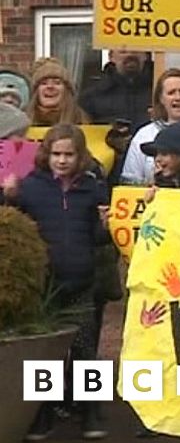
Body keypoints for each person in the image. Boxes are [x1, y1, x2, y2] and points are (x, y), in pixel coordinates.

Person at [2, 124, 110, 440]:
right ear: (46, 154)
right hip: (44, 285)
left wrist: (105, 226)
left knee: (86, 349)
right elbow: (12, 230)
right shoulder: (29, 187)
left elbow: (100, 238)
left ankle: (91, 411)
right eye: (56, 154)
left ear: (80, 157)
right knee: (45, 353)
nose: (62, 160)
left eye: (69, 154)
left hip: (82, 281)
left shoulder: (93, 188)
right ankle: (42, 413)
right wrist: (7, 198)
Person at [79, 50, 153, 129]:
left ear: (146, 55)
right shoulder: (92, 95)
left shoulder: (160, 90)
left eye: (135, 51)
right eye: (123, 52)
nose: (130, 55)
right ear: (111, 57)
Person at [27, 57, 89, 126]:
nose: (50, 86)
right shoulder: (22, 118)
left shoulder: (80, 118)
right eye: (44, 83)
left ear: (67, 90)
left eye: (57, 83)